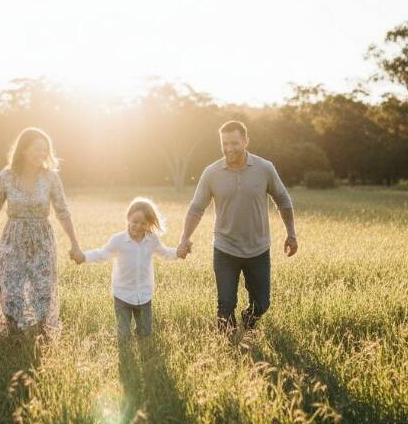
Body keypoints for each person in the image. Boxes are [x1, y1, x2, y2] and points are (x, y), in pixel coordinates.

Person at [177, 120, 297, 332]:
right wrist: (185, 238)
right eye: (225, 143)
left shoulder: (264, 168)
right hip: (225, 249)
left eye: (234, 143)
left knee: (262, 304)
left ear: (245, 141)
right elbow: (196, 208)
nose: (229, 148)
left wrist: (291, 234)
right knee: (225, 305)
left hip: (258, 249)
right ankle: (226, 349)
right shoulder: (211, 172)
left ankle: (247, 323)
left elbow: (283, 200)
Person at [0, 127, 82, 334]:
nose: (42, 154)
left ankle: (41, 335)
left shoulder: (51, 178)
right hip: (13, 238)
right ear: (23, 150)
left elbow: (62, 211)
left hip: (42, 239)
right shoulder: (6, 177)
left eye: (45, 150)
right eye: (37, 149)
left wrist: (75, 244)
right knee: (10, 289)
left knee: (43, 289)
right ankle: (15, 336)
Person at [74, 197, 182, 340]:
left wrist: (179, 252)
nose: (138, 226)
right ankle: (126, 356)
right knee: (123, 336)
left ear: (149, 223)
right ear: (128, 219)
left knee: (145, 334)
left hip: (144, 295)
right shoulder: (118, 240)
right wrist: (84, 257)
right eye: (135, 222)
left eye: (143, 223)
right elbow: (102, 254)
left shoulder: (152, 240)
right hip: (122, 295)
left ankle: (144, 358)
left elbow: (166, 253)